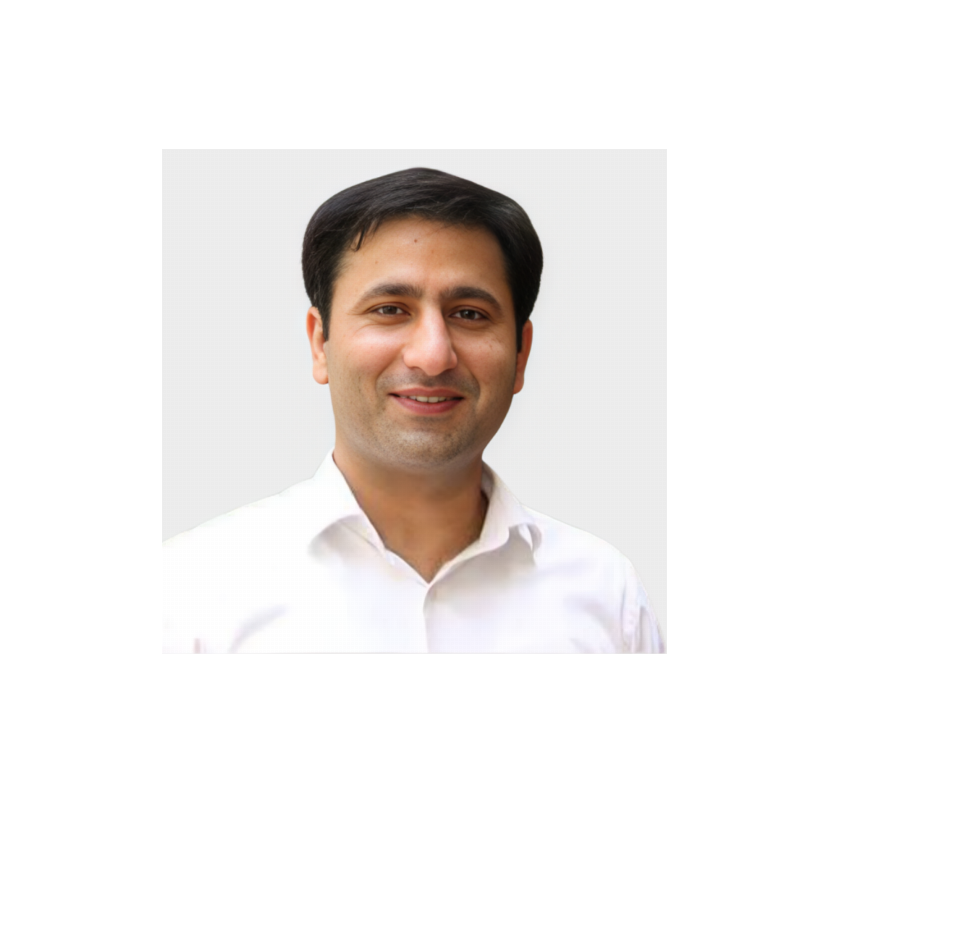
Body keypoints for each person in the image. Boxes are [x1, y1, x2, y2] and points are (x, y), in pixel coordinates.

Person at [163, 166, 664, 654]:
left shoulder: (605, 595)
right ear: (320, 343)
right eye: (389, 310)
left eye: (469, 314)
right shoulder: (194, 588)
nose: (432, 355)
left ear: (520, 354)